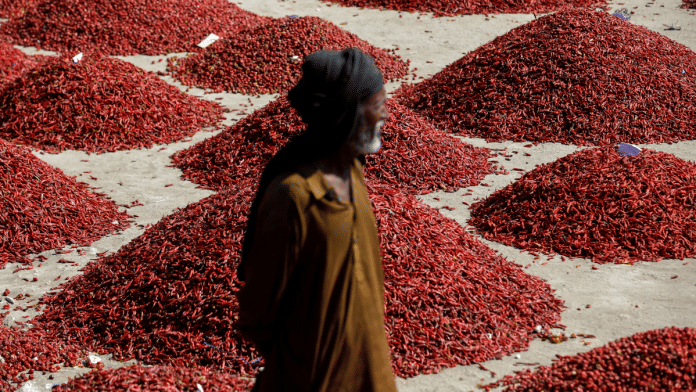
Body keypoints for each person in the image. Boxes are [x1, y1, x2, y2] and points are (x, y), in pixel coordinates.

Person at [235, 47, 397, 392]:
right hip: (312, 378)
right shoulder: (294, 195)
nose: (385, 115)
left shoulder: (354, 172)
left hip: (372, 371)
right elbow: (258, 307)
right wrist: (304, 353)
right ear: (349, 115)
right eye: (378, 104)